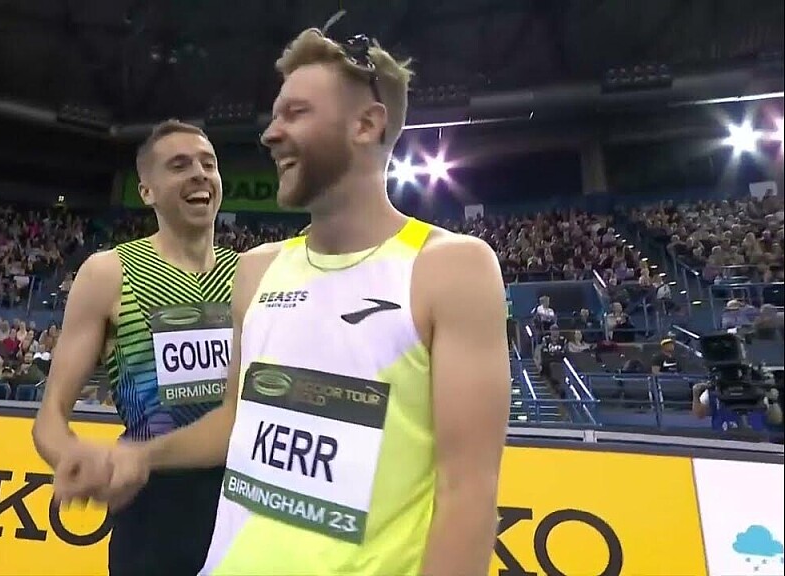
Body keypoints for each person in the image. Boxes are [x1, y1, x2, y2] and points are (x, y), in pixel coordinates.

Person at [53, 30, 510, 576]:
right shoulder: (257, 270)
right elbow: (234, 421)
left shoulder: (450, 268)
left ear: (366, 125)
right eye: (274, 116)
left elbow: (467, 493)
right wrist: (137, 456)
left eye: (295, 113)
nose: (270, 134)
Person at [33, 119, 237, 576]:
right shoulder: (110, 272)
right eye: (179, 166)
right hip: (153, 504)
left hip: (243, 500)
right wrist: (74, 458)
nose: (199, 174)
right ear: (147, 191)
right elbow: (50, 416)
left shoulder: (251, 274)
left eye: (208, 164)